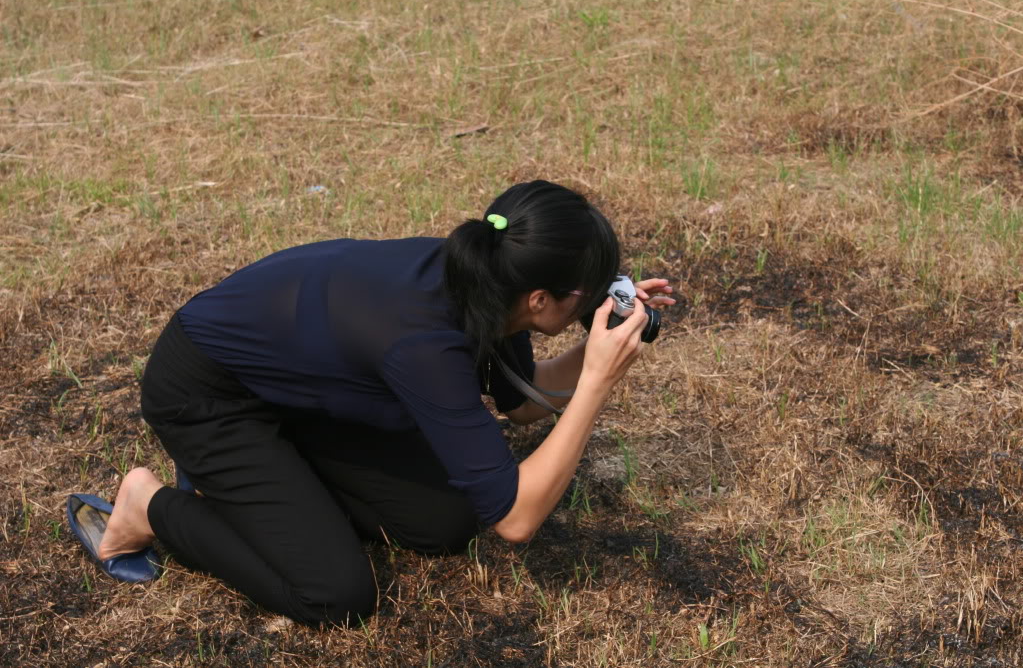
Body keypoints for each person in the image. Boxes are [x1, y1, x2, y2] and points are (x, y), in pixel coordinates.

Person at [89, 180, 675, 626]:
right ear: (541, 299)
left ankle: (274, 484)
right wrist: (596, 381)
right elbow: (517, 519)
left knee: (443, 519)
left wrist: (605, 345)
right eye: (589, 292)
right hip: (207, 395)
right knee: (336, 595)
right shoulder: (423, 342)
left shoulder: (491, 283)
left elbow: (522, 402)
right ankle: (149, 507)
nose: (596, 298)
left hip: (297, 395)